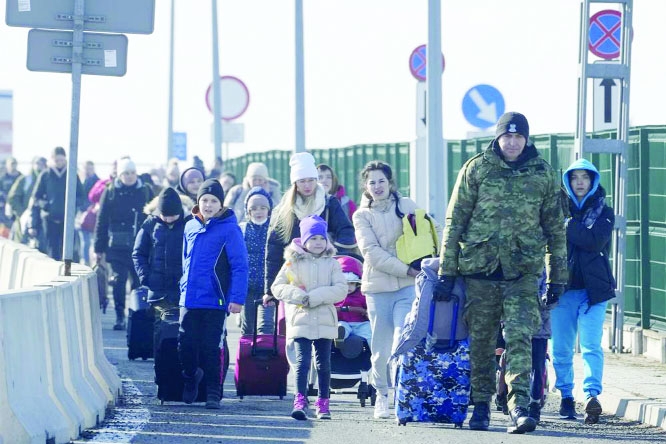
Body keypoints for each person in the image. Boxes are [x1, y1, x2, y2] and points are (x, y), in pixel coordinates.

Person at [435, 112, 567, 433]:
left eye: (518, 137)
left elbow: (555, 229)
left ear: (526, 139)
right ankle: (480, 405)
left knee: (520, 337)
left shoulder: (543, 174)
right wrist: (446, 272)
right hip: (480, 271)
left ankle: (519, 406)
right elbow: (455, 221)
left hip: (522, 273)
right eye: (506, 137)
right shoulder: (476, 168)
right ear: (497, 138)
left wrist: (557, 276)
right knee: (482, 343)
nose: (512, 142)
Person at [352, 160, 425, 420]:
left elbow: (432, 231)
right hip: (378, 289)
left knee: (401, 340)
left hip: (408, 287)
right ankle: (381, 394)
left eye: (382, 180)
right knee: (381, 347)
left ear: (390, 182)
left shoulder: (406, 205)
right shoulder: (361, 215)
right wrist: (407, 269)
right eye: (372, 182)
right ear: (366, 186)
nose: (377, 186)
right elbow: (371, 253)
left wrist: (432, 260)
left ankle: (401, 396)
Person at [551, 158, 615, 425]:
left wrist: (567, 225)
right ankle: (566, 395)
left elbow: (593, 241)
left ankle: (591, 396)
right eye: (574, 177)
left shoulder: (604, 211)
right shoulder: (554, 210)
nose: (579, 182)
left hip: (593, 292)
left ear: (593, 181)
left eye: (585, 177)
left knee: (591, 346)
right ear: (567, 181)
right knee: (562, 349)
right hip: (562, 290)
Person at [179, 179, 248, 409]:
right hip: (189, 298)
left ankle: (212, 392)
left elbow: (240, 265)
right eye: (204, 200)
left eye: (213, 201)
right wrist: (182, 287)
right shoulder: (190, 226)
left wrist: (237, 298)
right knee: (185, 344)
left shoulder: (230, 228)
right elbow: (185, 261)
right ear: (198, 202)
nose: (208, 205)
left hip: (216, 300)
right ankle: (190, 377)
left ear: (221, 204)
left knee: (211, 347)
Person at [271, 215, 347, 420]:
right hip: (300, 319)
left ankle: (323, 402)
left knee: (323, 363)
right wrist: (298, 296)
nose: (318, 243)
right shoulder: (292, 263)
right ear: (304, 240)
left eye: (321, 239)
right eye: (313, 238)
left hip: (324, 319)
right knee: (302, 362)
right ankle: (300, 399)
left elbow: (341, 289)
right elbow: (277, 287)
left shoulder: (332, 264)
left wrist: (314, 297)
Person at [264, 152, 357, 302]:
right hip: (294, 278)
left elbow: (346, 231)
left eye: (311, 180)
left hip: (324, 276)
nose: (307, 185)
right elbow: (273, 250)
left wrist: (334, 255)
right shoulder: (284, 211)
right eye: (302, 181)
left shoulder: (328, 203)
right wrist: (269, 289)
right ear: (295, 183)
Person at [94, 158, 154, 330]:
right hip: (116, 247)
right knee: (118, 281)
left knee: (138, 283)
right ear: (120, 174)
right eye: (126, 173)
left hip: (140, 246)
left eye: (132, 173)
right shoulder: (111, 191)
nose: (129, 176)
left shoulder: (145, 190)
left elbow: (154, 216)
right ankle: (120, 315)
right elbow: (102, 220)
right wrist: (99, 247)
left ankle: (135, 315)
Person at [28, 147, 87, 259]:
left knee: (67, 251)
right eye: (57, 160)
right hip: (49, 219)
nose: (59, 163)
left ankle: (66, 271)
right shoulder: (45, 175)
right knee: (51, 249)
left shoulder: (72, 174)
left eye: (61, 160)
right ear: (52, 160)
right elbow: (36, 197)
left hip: (68, 220)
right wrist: (45, 205)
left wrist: (72, 204)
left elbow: (81, 196)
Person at [239, 186, 274, 336]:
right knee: (248, 326)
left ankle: (265, 357)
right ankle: (246, 356)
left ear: (269, 210)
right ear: (248, 211)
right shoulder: (242, 229)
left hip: (268, 287)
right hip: (247, 287)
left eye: (262, 208)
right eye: (254, 208)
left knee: (265, 326)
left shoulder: (274, 229)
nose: (258, 212)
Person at [333, 255, 371, 346]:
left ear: (357, 284)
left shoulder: (362, 295)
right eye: (345, 284)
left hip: (360, 323)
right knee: (340, 327)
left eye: (352, 283)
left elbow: (368, 308)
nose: (348, 287)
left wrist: (367, 312)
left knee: (369, 331)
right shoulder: (335, 295)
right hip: (342, 321)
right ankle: (339, 338)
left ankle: (375, 352)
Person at [7, 156, 46, 242]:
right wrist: (22, 213)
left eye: (42, 164)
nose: (39, 166)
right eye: (37, 163)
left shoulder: (47, 181)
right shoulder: (25, 180)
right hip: (23, 220)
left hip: (43, 221)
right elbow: (13, 198)